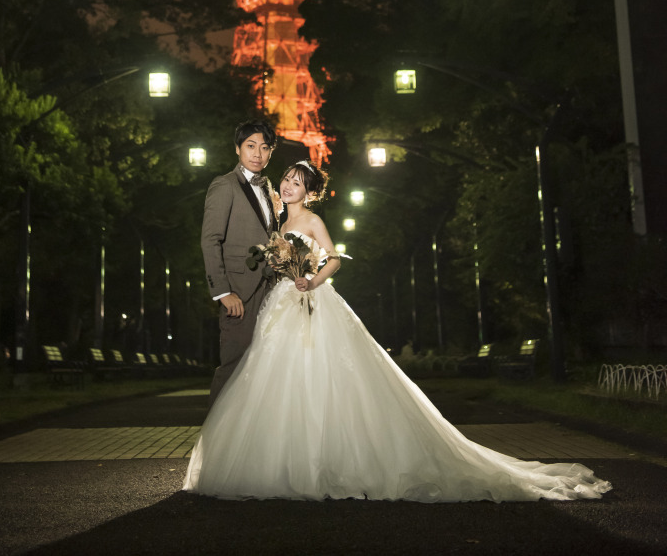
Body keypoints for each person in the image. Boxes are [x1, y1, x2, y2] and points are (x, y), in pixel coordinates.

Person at [184, 159, 612, 503]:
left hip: (308, 300)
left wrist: (311, 280)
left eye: (298, 182)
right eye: (287, 180)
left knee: (320, 375)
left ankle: (325, 461)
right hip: (280, 305)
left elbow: (334, 258)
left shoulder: (311, 221)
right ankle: (281, 462)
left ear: (311, 193)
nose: (289, 185)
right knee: (276, 378)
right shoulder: (276, 224)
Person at [201, 119, 280, 405]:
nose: (257, 153)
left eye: (264, 147)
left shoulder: (269, 188)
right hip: (239, 292)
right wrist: (222, 292)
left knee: (267, 368)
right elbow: (210, 240)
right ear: (237, 149)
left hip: (271, 290)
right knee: (234, 366)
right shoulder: (224, 185)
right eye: (250, 146)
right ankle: (215, 431)